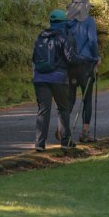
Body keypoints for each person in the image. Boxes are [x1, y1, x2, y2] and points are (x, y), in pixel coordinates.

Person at [32, 9, 77, 151]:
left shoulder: (40, 36)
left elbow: (34, 58)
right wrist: (90, 59)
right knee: (63, 109)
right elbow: (70, 58)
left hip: (39, 78)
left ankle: (39, 144)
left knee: (43, 110)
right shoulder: (63, 37)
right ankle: (65, 142)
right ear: (63, 23)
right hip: (58, 78)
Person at [65, 0, 101, 142]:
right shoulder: (89, 21)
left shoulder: (67, 21)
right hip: (85, 64)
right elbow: (92, 41)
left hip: (70, 64)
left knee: (70, 99)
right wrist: (96, 57)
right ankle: (85, 133)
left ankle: (63, 129)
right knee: (87, 99)